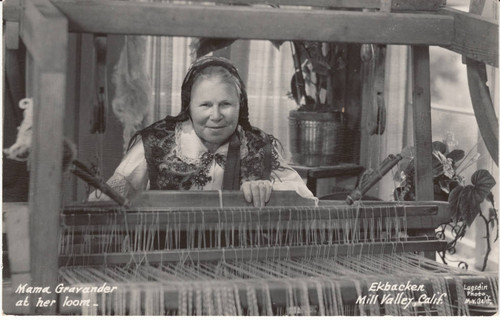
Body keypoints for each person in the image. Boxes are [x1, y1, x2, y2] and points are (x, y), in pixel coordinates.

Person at [90, 56, 314, 207]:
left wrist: (269, 190)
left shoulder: (257, 146)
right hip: (165, 262)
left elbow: (305, 200)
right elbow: (109, 199)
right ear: (189, 106)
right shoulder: (158, 143)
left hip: (239, 264)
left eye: (225, 105)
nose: (215, 115)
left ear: (240, 105)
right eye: (205, 105)